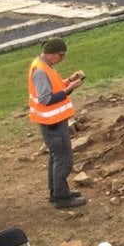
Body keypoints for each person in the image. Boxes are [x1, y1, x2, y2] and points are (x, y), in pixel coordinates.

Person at [28, 38, 86, 209]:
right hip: (52, 122)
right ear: (51, 54)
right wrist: (71, 88)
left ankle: (57, 192)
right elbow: (46, 99)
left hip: (52, 121)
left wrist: (69, 81)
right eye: (61, 55)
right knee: (63, 159)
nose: (63, 58)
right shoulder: (40, 71)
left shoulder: (45, 66)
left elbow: (56, 88)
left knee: (56, 158)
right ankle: (62, 198)